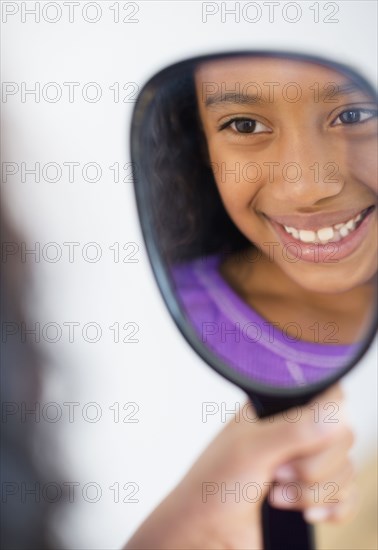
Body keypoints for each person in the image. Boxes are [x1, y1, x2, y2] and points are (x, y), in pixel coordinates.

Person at [138, 54, 377, 386]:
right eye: (244, 125)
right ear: (204, 145)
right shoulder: (154, 328)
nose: (305, 189)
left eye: (354, 115)